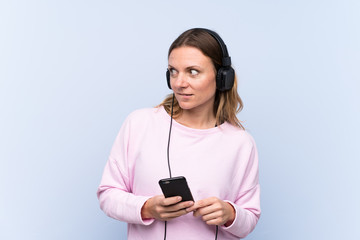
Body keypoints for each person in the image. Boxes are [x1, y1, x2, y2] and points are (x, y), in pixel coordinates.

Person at [97, 28, 260, 239]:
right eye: (173, 71)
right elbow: (107, 194)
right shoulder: (139, 123)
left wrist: (230, 213)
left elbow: (250, 218)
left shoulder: (241, 143)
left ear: (222, 78)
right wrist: (147, 207)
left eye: (193, 71)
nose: (179, 83)